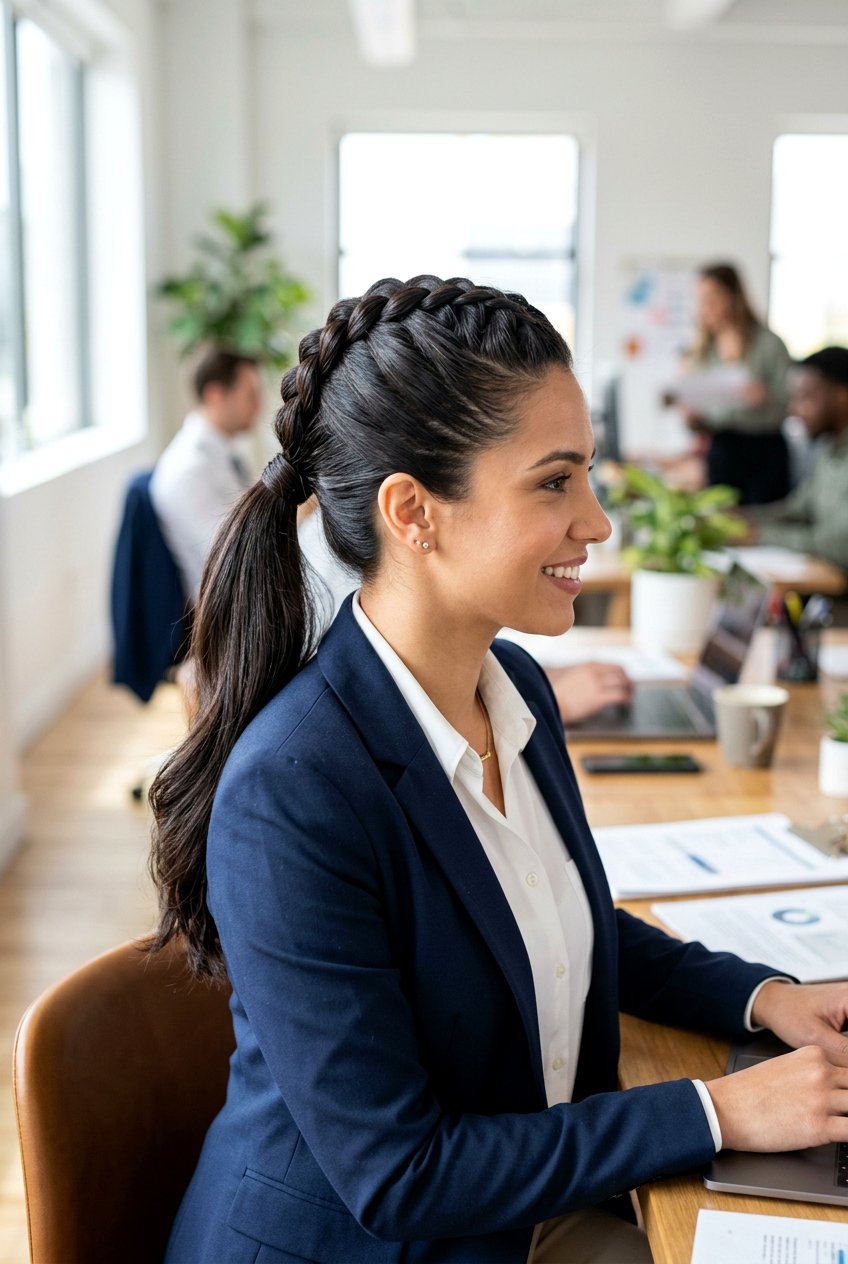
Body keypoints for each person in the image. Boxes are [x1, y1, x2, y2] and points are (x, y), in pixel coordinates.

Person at [148, 276, 848, 1264]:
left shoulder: (506, 682)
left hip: (525, 1207)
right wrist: (713, 1110)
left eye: (587, 476)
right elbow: (401, 1175)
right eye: (553, 482)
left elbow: (548, 919)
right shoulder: (293, 791)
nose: (597, 521)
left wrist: (760, 996)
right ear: (412, 512)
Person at [299, 502, 634, 725]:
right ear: (414, 514)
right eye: (554, 482)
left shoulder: (517, 680)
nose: (600, 527)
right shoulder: (296, 781)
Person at [150, 348, 263, 601]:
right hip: (233, 604)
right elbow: (231, 557)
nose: (259, 405)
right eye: (251, 394)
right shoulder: (189, 469)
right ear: (215, 395)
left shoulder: (225, 451)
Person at [677, 263, 792, 505]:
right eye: (700, 300)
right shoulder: (701, 352)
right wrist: (692, 418)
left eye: (711, 299)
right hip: (723, 451)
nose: (704, 309)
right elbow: (700, 416)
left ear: (732, 298)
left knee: (759, 524)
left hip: (764, 451)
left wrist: (765, 398)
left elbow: (790, 403)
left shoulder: (769, 345)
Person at [744, 345, 848, 572]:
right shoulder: (830, 449)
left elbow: (842, 545)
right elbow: (799, 509)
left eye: (805, 398)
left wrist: (760, 535)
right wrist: (743, 519)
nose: (794, 410)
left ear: (841, 396)